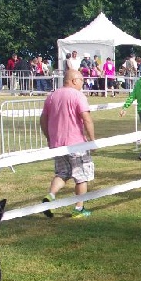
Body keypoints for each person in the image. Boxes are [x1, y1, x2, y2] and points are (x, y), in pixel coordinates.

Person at [40, 70, 97, 217]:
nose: (82, 83)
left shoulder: (52, 96)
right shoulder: (78, 96)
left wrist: (49, 137)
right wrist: (92, 140)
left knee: (62, 173)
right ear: (73, 80)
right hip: (76, 143)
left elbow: (43, 119)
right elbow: (87, 118)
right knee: (81, 176)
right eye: (81, 80)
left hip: (57, 144)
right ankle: (79, 209)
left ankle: (51, 196)